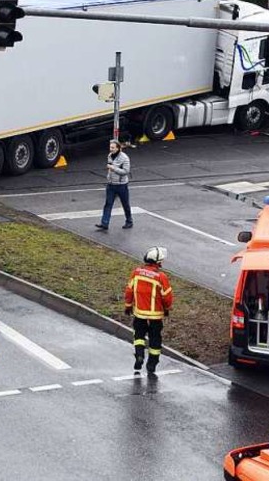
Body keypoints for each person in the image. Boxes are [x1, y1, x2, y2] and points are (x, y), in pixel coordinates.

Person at [125, 246, 173, 376]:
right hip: (156, 316)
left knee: (139, 336)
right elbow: (167, 297)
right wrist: (167, 309)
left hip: (139, 313)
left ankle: (139, 354)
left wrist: (128, 305)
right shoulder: (161, 277)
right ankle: (152, 364)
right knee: (155, 339)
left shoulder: (136, 272)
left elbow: (129, 291)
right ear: (157, 262)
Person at [96, 140, 132, 231]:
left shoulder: (124, 158)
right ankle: (105, 223)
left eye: (112, 148)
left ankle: (129, 221)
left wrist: (114, 168)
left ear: (118, 148)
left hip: (121, 185)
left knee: (125, 204)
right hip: (111, 184)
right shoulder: (110, 156)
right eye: (110, 147)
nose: (110, 149)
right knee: (108, 204)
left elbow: (126, 171)